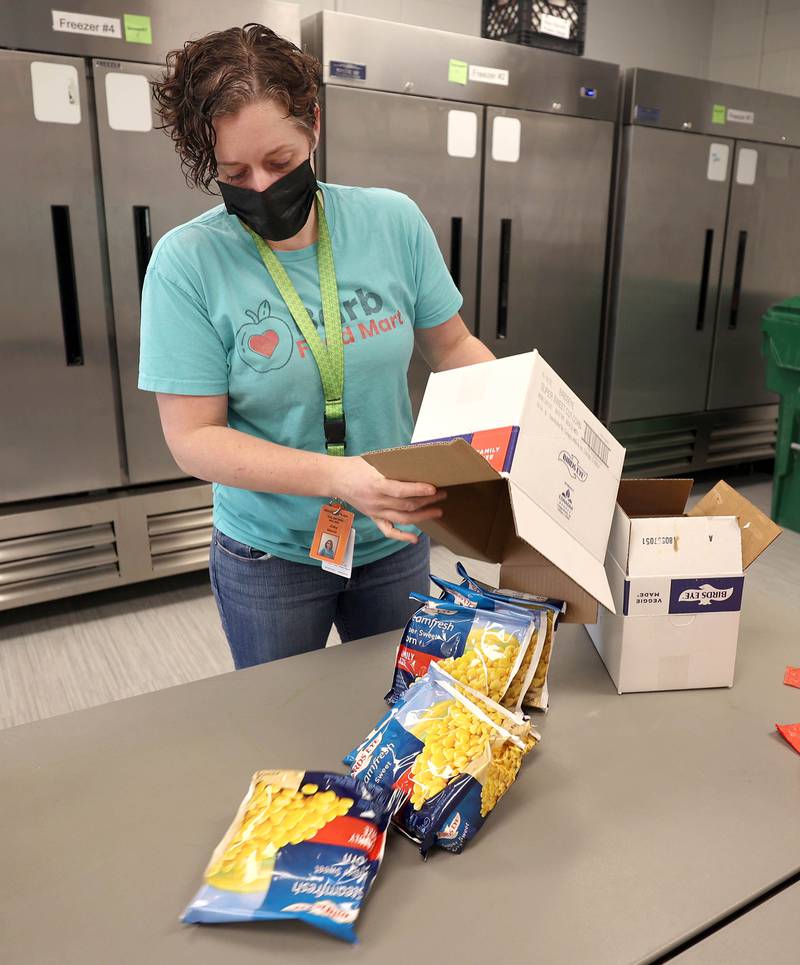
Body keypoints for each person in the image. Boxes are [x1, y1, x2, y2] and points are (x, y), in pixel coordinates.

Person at [139, 23, 494, 669]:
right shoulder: (186, 263)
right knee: (284, 722)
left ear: (314, 126)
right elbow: (194, 438)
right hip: (270, 553)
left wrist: (520, 413)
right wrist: (340, 477)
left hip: (395, 533)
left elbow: (453, 346)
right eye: (233, 172)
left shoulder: (390, 221)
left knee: (405, 710)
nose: (261, 186)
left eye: (279, 162)